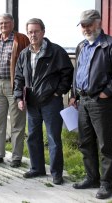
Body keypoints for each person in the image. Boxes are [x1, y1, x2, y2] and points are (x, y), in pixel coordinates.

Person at [69, 10, 112, 199]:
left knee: (105, 145)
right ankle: (92, 178)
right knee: (85, 142)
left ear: (98, 23)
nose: (86, 28)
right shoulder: (81, 46)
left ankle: (106, 184)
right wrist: (73, 95)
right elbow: (77, 72)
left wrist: (107, 92)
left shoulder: (111, 45)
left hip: (100, 102)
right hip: (83, 100)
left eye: (89, 24)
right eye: (83, 25)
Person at [14, 18, 74, 185]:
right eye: (30, 32)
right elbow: (18, 78)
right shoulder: (24, 54)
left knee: (53, 138)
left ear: (43, 32)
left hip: (51, 102)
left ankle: (56, 173)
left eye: (36, 31)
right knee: (33, 136)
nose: (33, 35)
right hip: (32, 103)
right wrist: (19, 97)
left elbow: (67, 73)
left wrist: (58, 92)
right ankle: (37, 168)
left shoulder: (56, 51)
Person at [0, 13, 30, 168]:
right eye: (1, 23)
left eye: (6, 23)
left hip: (14, 86)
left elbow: (27, 62)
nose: (3, 25)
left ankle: (17, 157)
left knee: (17, 123)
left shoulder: (21, 39)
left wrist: (23, 86)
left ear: (12, 23)